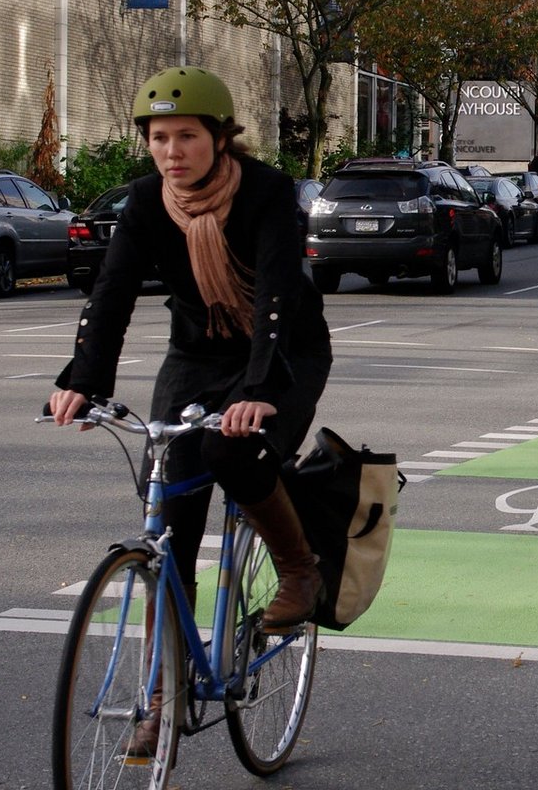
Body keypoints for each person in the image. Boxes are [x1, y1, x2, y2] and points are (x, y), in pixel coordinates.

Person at [47, 66, 333, 753]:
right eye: (158, 137)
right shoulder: (146, 204)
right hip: (197, 356)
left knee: (232, 452)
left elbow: (274, 294)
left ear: (221, 138)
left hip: (282, 352)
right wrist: (82, 379)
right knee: (168, 518)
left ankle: (299, 570)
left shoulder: (267, 193)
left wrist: (260, 390)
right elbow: (111, 293)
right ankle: (160, 694)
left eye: (186, 136)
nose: (172, 150)